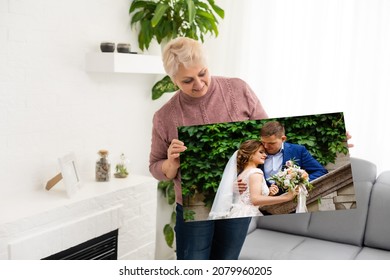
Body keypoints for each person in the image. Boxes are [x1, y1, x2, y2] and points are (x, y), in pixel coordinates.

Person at [149, 37, 268, 260]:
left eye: (202, 73)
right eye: (187, 80)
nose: (199, 84)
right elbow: (154, 166)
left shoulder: (238, 89)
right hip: (195, 207)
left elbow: (268, 135)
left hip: (236, 203)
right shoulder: (164, 117)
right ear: (173, 80)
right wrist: (170, 164)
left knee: (226, 263)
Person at [209, 140, 297, 220]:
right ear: (250, 154)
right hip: (248, 214)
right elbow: (255, 200)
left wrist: (269, 194)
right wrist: (286, 197)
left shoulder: (242, 174)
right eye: (261, 152)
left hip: (238, 212)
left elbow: (250, 200)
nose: (265, 155)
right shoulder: (256, 172)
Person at [259, 121, 328, 196]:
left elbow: (320, 171)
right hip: (261, 201)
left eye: (271, 143)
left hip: (291, 201)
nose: (265, 146)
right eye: (263, 142)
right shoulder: (255, 151)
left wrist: (299, 182)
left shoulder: (298, 151)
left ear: (283, 139)